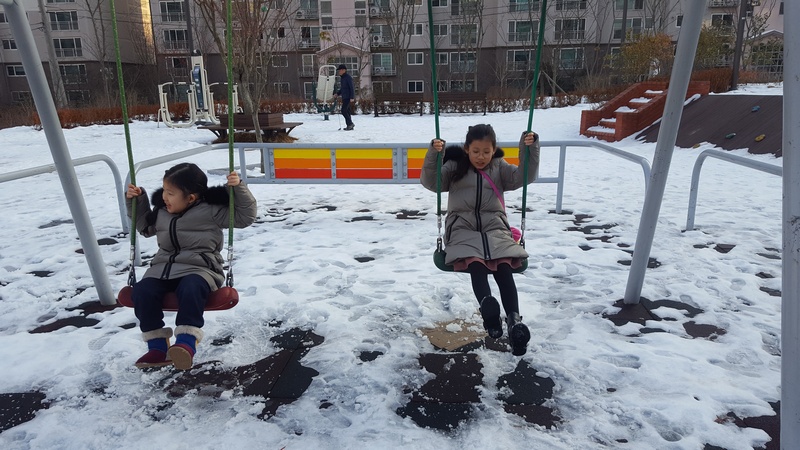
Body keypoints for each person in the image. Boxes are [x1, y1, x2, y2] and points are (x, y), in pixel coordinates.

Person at [420, 124, 540, 356]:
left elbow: (524, 176)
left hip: (494, 226)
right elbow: (431, 182)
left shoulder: (500, 168)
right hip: (462, 228)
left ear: (493, 150)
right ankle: (490, 311)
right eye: (476, 151)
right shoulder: (454, 168)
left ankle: (514, 322)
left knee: (504, 265)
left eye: (486, 151)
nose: (481, 157)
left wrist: (530, 149)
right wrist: (435, 155)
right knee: (475, 262)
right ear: (467, 149)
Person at [125, 163, 258, 370]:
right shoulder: (161, 212)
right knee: (142, 291)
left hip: (200, 269)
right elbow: (143, 227)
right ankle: (157, 346)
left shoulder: (211, 211)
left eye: (170, 193)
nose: (164, 198)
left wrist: (238, 188)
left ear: (191, 198)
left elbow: (244, 217)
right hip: (163, 269)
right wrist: (138, 201)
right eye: (164, 191)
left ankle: (186, 343)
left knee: (190, 288)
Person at [333, 64, 355, 131]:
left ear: (343, 70)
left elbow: (352, 88)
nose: (339, 72)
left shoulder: (348, 77)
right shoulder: (343, 78)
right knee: (347, 111)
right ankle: (349, 125)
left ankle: (350, 124)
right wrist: (337, 94)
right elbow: (343, 89)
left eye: (339, 70)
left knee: (343, 110)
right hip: (345, 97)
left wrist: (352, 97)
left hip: (348, 97)